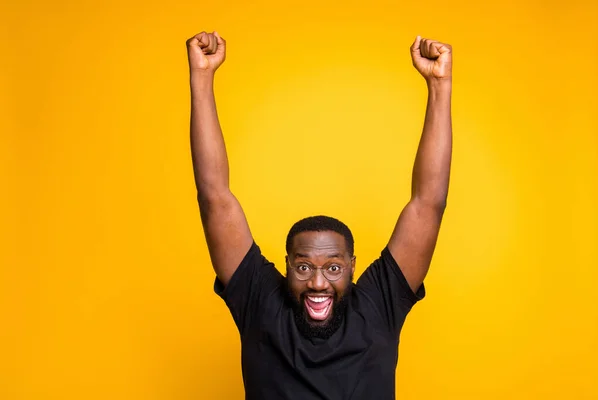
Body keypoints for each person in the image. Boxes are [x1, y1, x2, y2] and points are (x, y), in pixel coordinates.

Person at [186, 30, 452, 400]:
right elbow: (214, 198)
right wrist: (201, 76)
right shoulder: (261, 302)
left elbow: (429, 204)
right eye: (304, 266)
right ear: (288, 265)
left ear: (352, 266)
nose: (318, 283)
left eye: (333, 267)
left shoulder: (378, 306)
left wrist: (439, 86)